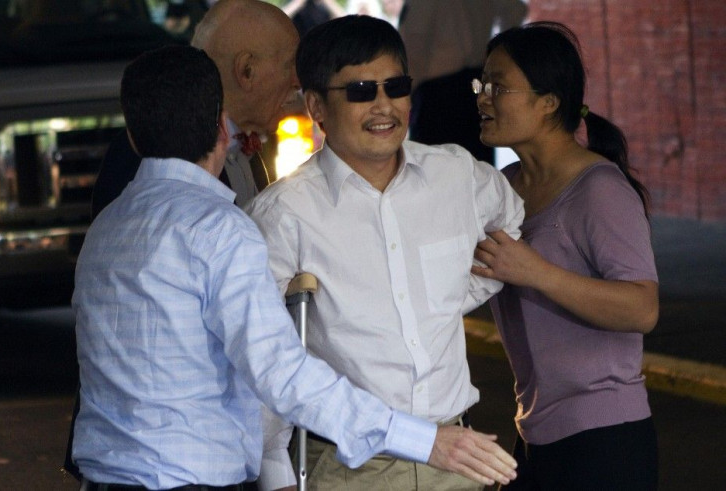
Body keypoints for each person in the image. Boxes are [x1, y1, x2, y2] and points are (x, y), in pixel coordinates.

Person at [71, 44, 518, 491]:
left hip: (105, 478)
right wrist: (425, 441)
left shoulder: (106, 228)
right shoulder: (221, 229)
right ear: (220, 129)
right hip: (189, 480)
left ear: (132, 136)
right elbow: (279, 371)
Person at [246, 15, 524, 490]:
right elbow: (265, 362)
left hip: (455, 463)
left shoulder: (458, 176)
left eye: (395, 86)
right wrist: (277, 478)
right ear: (316, 105)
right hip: (348, 467)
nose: (383, 106)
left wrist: (448, 295)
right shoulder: (282, 215)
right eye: (359, 90)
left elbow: (511, 226)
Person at [471, 22, 659, 490]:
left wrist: (537, 273)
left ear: (549, 101)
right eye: (481, 84)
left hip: (605, 440)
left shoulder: (600, 191)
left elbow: (642, 307)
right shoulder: (505, 189)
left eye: (498, 86)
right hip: (534, 432)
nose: (483, 97)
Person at [91, 0, 299, 216]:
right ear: (246, 71)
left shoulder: (249, 147)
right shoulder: (149, 148)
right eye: (289, 65)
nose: (298, 82)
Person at [398, 0, 527, 164]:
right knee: (475, 167)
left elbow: (413, 43)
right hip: (471, 83)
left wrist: (408, 93)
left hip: (437, 92)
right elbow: (515, 11)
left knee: (434, 168)